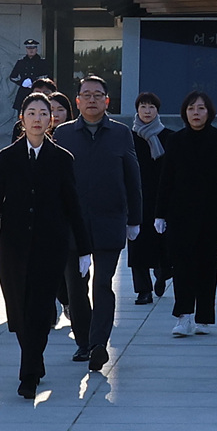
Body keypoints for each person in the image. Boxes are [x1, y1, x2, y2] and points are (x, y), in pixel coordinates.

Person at [0, 93, 92, 399]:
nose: (37, 118)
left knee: (40, 311)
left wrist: (84, 249)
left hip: (50, 246)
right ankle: (35, 358)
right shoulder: (6, 157)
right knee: (18, 313)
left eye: (44, 113)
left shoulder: (62, 159)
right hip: (14, 247)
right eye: (31, 113)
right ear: (22, 118)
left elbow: (73, 207)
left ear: (50, 120)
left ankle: (27, 374)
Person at [53, 75, 144, 372]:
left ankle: (99, 344)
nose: (92, 99)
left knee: (103, 284)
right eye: (86, 94)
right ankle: (84, 341)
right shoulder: (63, 134)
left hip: (109, 220)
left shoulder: (121, 134)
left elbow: (133, 179)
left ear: (107, 100)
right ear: (77, 100)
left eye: (98, 95)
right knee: (75, 287)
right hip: (71, 225)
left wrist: (135, 220)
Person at [155, 90, 217, 336]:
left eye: (200, 108)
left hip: (213, 214)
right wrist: (160, 213)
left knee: (208, 266)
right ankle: (183, 315)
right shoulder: (176, 140)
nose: (195, 113)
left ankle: (204, 315)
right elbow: (166, 178)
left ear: (209, 112)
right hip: (181, 213)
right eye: (191, 108)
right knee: (183, 266)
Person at [129, 91, 171, 306]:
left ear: (157, 110)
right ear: (137, 109)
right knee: (137, 246)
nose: (147, 111)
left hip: (161, 199)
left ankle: (162, 274)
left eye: (151, 107)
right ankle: (143, 290)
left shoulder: (168, 136)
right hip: (136, 198)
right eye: (143, 106)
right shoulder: (129, 137)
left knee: (162, 242)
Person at [10, 39, 53, 105]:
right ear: (26, 49)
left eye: (33, 48)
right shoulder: (21, 62)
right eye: (29, 48)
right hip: (23, 92)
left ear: (36, 49)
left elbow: (47, 76)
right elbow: (13, 77)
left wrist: (33, 80)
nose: (31, 50)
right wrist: (22, 82)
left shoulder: (42, 63)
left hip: (38, 91)